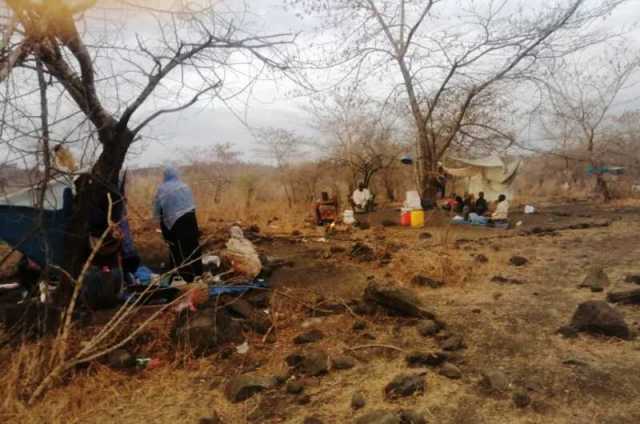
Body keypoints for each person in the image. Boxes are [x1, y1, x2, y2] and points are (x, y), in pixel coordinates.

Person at [153, 166, 202, 282]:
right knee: (193, 245)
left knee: (177, 248)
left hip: (175, 222)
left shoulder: (162, 189)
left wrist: (158, 221)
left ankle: (183, 275)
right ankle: (198, 273)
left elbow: (158, 209)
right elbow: (191, 205)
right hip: (191, 219)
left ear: (165, 176)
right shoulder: (184, 186)